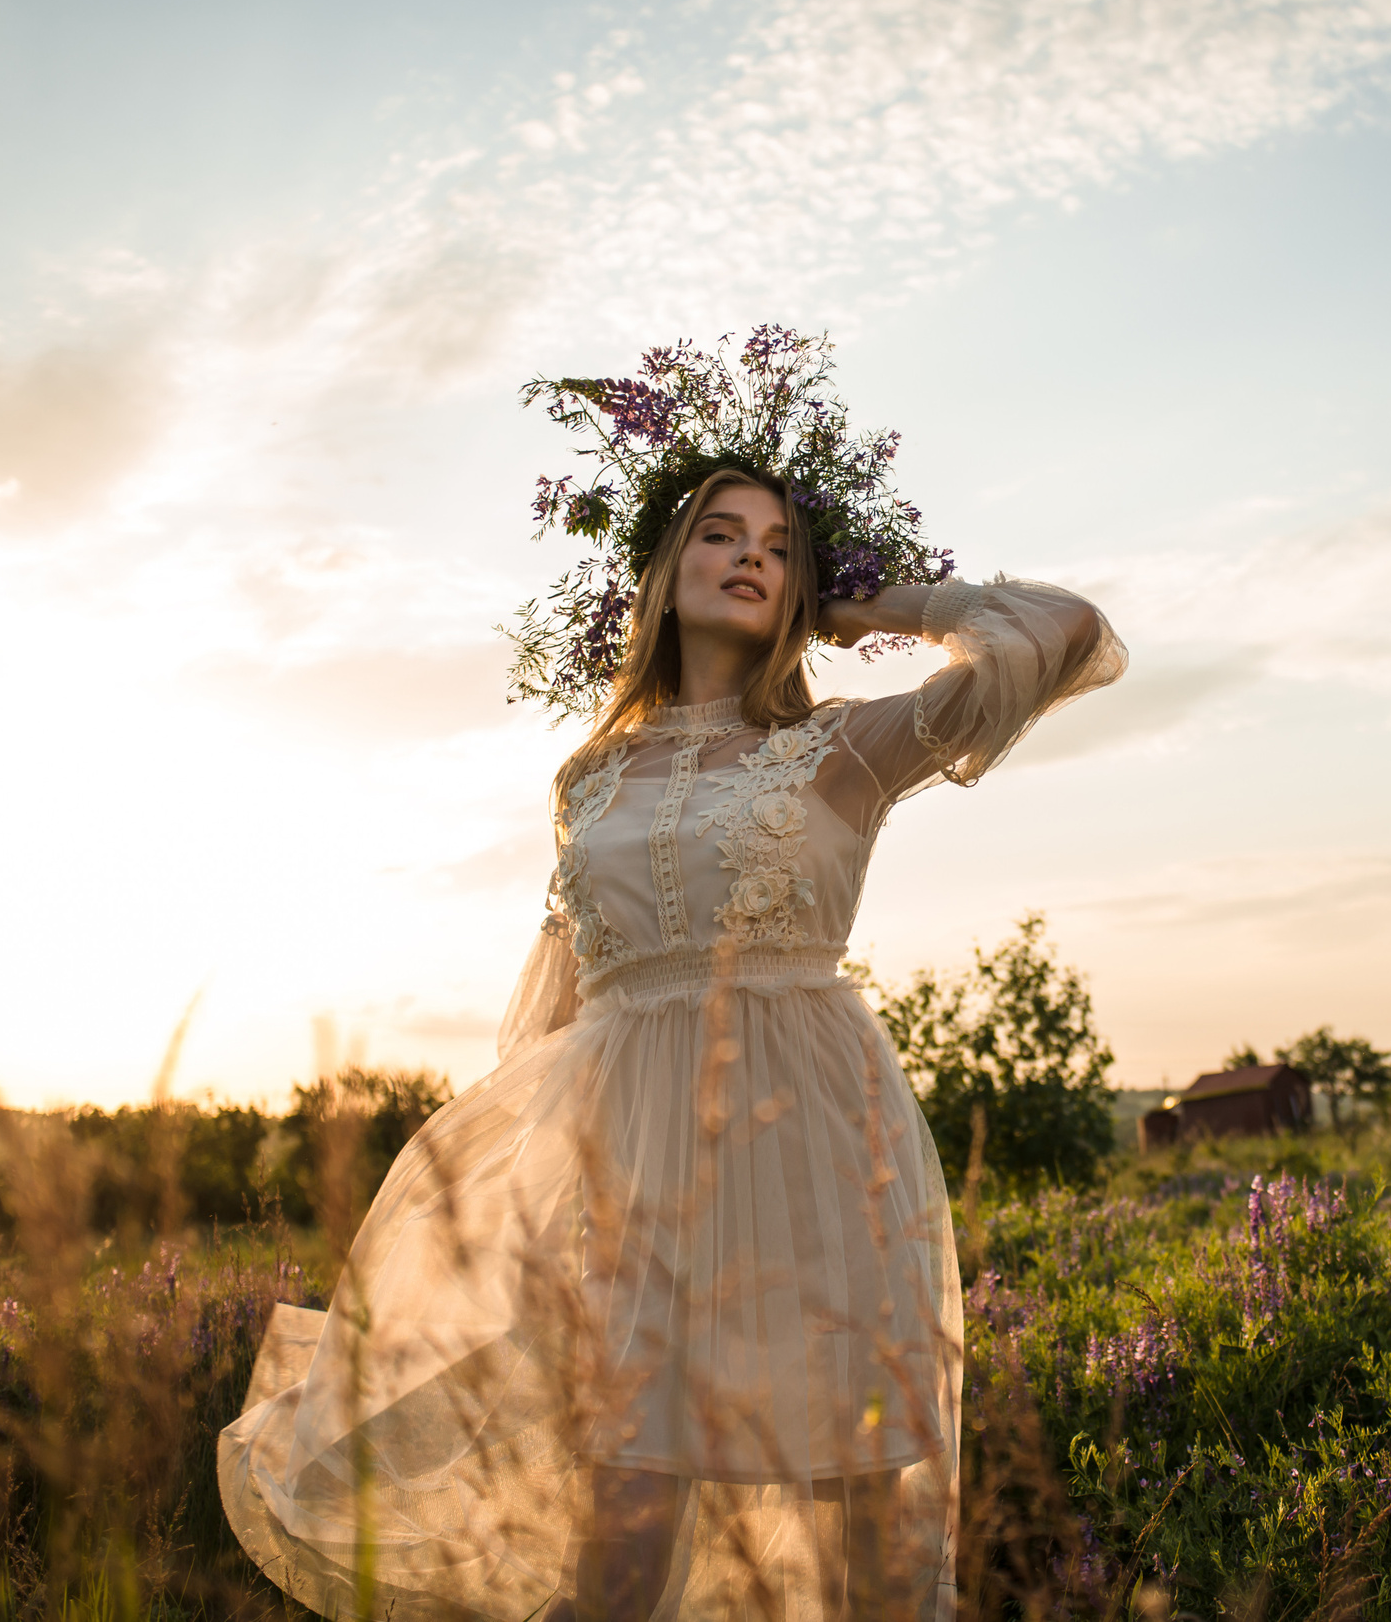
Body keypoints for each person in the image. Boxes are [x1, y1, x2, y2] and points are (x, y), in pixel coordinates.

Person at [219, 460, 1124, 1621]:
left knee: (862, 1511)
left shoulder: (843, 749)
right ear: (664, 568)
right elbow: (559, 1004)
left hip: (816, 1156)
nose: (751, 555)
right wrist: (518, 1199)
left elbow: (1066, 631)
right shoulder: (588, 778)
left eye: (780, 547)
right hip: (638, 1186)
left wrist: (873, 604)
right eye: (721, 533)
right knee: (625, 1526)